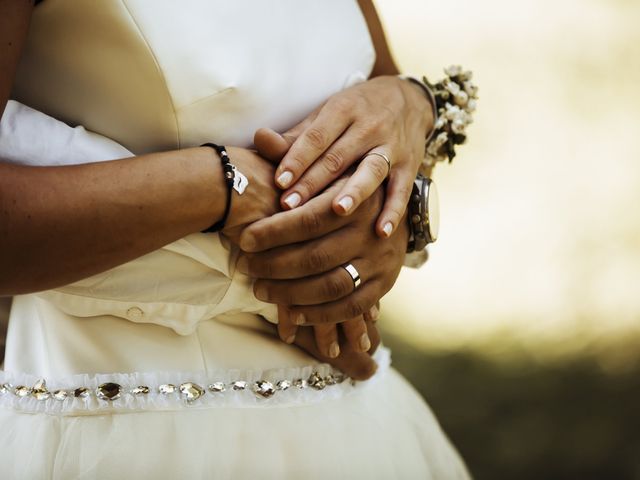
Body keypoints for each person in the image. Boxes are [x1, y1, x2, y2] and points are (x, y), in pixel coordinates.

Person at [0, 1, 470, 478]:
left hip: (350, 424)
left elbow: (380, 105)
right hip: (128, 427)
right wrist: (222, 185)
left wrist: (404, 129)